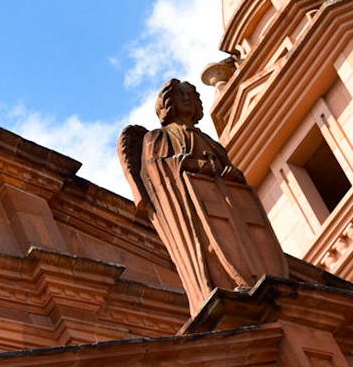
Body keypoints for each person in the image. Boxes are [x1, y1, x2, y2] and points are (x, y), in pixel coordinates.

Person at [118, 79, 287, 312]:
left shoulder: (210, 142)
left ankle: (253, 274)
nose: (187, 99)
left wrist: (231, 173)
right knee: (210, 245)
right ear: (169, 104)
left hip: (228, 206)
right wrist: (190, 164)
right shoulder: (157, 138)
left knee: (239, 238)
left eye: (191, 95)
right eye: (181, 95)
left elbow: (229, 169)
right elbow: (155, 170)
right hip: (195, 211)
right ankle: (223, 282)